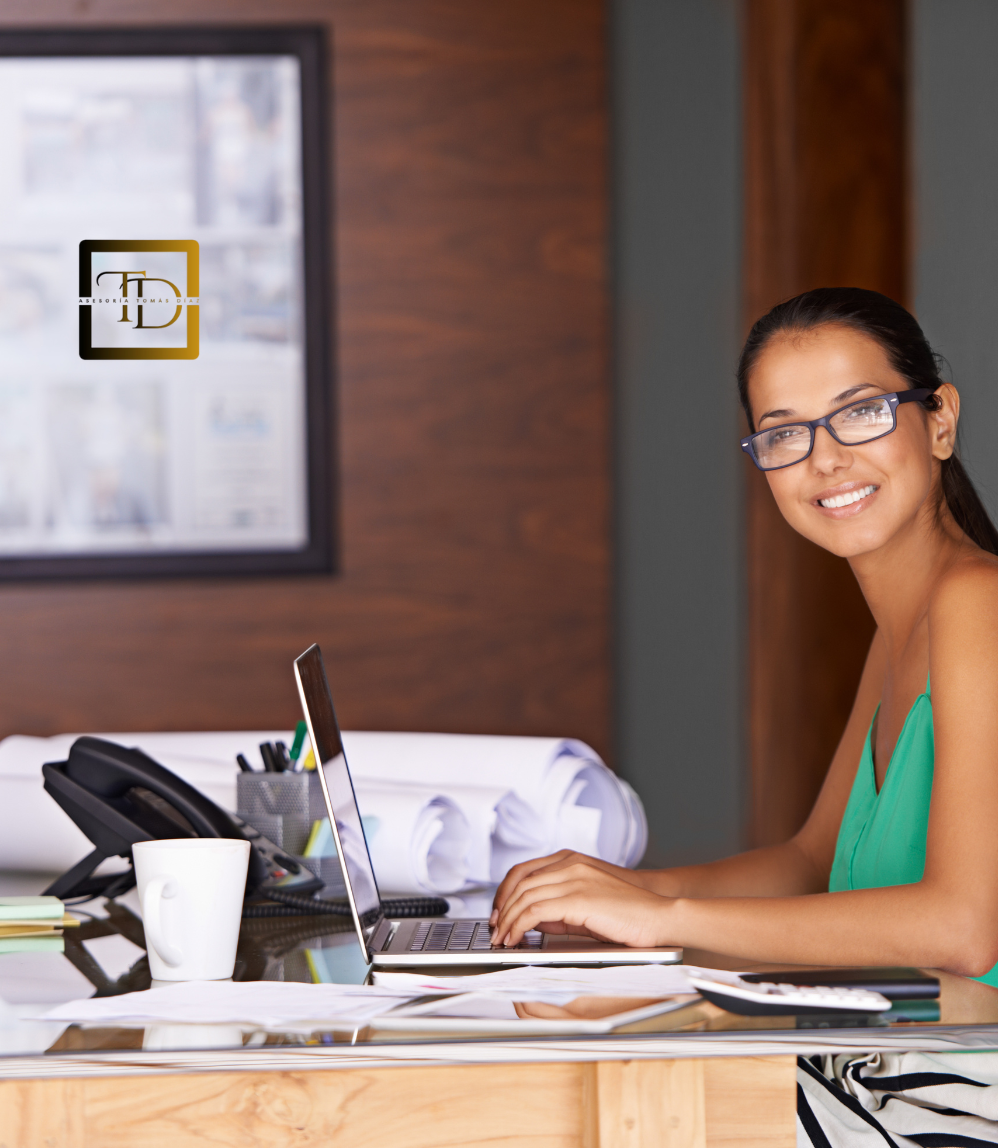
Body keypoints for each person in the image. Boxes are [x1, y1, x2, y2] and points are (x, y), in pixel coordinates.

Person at [491, 287, 998, 1143]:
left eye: (862, 413)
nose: (826, 459)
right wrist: (617, 897)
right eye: (785, 432)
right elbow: (811, 863)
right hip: (886, 1054)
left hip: (952, 1088)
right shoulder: (903, 627)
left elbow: (961, 928)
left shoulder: (977, 605)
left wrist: (664, 925)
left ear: (938, 420)